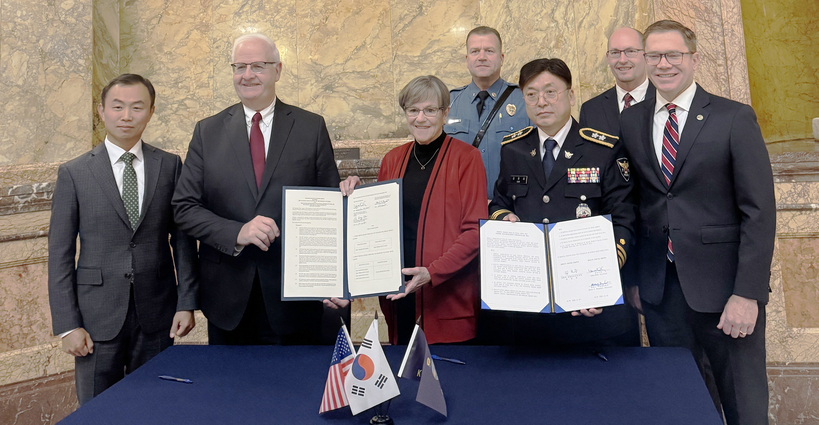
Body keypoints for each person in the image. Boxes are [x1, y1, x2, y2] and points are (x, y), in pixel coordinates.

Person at [619, 20, 775, 424]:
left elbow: (759, 212)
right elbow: (635, 205)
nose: (663, 64)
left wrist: (748, 293)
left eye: (674, 54)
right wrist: (634, 278)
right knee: (682, 404)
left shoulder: (733, 117)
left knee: (744, 405)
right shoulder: (632, 122)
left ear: (694, 59)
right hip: (660, 293)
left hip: (726, 293)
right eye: (653, 55)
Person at [172, 33, 344, 346]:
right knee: (231, 392)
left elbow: (331, 206)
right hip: (226, 298)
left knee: (294, 389)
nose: (247, 75)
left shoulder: (311, 127)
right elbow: (184, 208)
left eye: (258, 66)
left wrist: (338, 279)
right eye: (239, 66)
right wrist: (237, 232)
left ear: (277, 70)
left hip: (296, 297)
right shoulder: (206, 131)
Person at [48, 74, 198, 404]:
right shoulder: (74, 173)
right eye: (117, 107)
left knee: (156, 405)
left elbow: (183, 241)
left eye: (136, 107)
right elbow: (59, 254)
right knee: (98, 409)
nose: (126, 115)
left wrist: (187, 302)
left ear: (151, 111)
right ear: (101, 111)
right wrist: (68, 325)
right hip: (96, 318)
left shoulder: (169, 165)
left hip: (158, 312)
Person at [488, 58, 637, 346]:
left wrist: (601, 278)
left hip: (590, 309)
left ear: (570, 95)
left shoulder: (603, 149)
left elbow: (623, 218)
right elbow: (499, 203)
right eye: (531, 94)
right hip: (530, 308)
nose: (541, 101)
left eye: (550, 92)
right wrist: (504, 218)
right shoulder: (513, 149)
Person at [340, 76, 487, 344]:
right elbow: (379, 224)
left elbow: (474, 232)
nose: (421, 118)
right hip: (399, 299)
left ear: (445, 113)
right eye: (413, 110)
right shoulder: (393, 159)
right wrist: (358, 196)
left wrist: (432, 273)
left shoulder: (467, 158)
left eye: (430, 110)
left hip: (446, 299)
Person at [444, 26, 530, 200]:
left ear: (501, 58)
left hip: (512, 211)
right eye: (475, 51)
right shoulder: (448, 103)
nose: (482, 57)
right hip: (461, 209)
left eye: (489, 51)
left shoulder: (525, 100)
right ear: (467, 59)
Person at [579, 27, 654, 139]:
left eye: (631, 51)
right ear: (608, 58)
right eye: (615, 53)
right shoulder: (591, 110)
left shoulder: (665, 101)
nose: (622, 60)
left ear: (646, 55)